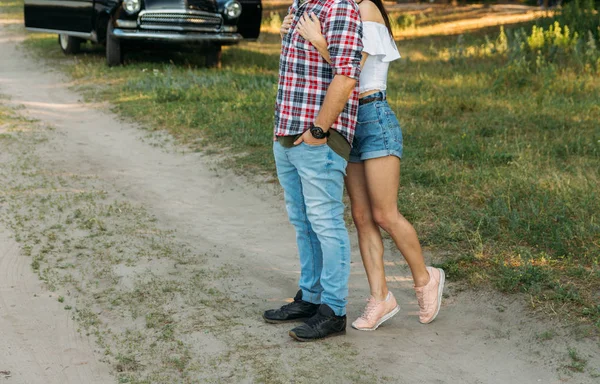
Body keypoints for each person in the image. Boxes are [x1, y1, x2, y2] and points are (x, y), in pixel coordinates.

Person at [293, 1, 445, 331]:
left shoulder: (367, 11)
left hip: (374, 118)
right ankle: (381, 297)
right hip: (347, 120)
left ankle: (425, 278)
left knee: (384, 213)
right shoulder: (344, 10)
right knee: (361, 216)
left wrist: (318, 41)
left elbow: (352, 71)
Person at [262, 0, 363, 341]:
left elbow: (348, 73)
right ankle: (310, 297)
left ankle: (333, 311)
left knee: (325, 223)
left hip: (318, 138)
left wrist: (318, 131)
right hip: (287, 133)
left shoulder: (341, 8)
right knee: (303, 221)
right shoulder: (302, 4)